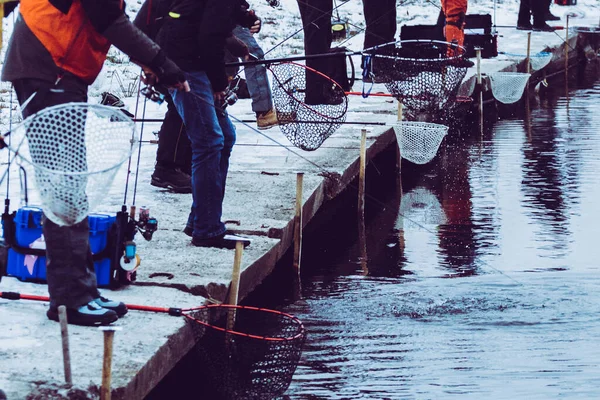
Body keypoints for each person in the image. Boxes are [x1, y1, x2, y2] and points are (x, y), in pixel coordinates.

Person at [1, 0, 188, 326]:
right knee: (65, 186)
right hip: (49, 65)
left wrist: (156, 60)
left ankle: (82, 291)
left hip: (57, 69)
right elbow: (108, 19)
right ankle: (70, 298)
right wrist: (161, 62)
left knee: (71, 184)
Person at [153, 0, 253, 249]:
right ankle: (207, 230)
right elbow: (209, 38)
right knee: (209, 141)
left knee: (224, 137)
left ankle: (201, 219)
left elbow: (209, 17)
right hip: (184, 66)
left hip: (189, 60)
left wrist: (243, 16)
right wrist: (219, 83)